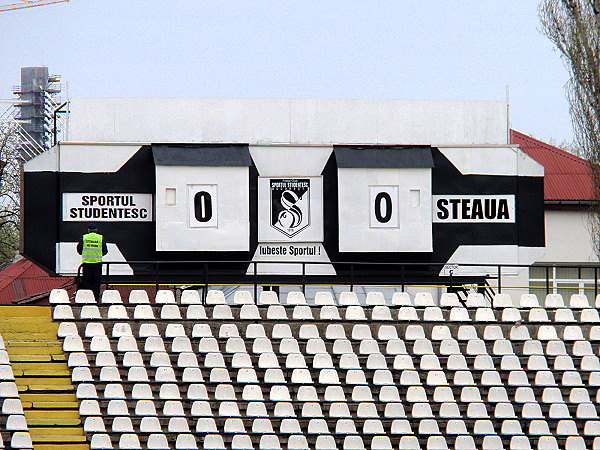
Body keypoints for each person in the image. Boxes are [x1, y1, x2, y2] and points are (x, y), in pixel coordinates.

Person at [77, 223, 108, 301]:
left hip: (86, 263)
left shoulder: (84, 237)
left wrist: (84, 254)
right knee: (96, 282)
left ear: (88, 230)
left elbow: (79, 249)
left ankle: (86, 299)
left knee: (86, 282)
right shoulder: (100, 238)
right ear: (96, 230)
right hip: (97, 263)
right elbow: (105, 251)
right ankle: (95, 299)